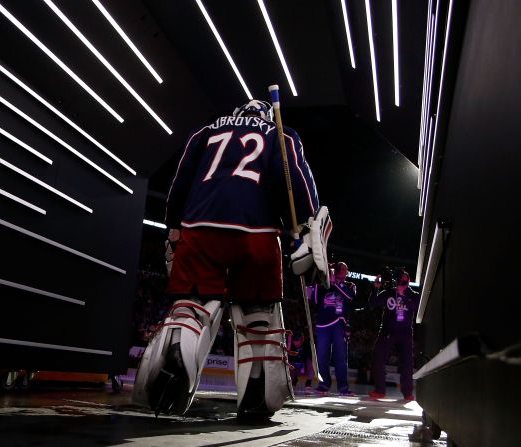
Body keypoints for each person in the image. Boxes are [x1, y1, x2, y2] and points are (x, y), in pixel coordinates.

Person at [132, 98, 331, 420]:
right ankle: (257, 394)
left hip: (200, 227)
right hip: (259, 231)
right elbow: (295, 179)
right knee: (258, 318)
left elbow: (180, 181)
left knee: (191, 304)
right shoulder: (281, 132)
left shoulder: (206, 131)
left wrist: (173, 226)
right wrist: (306, 225)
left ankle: (178, 345)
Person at [368, 269, 420, 400]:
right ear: (396, 281)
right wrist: (375, 289)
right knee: (378, 358)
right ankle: (380, 390)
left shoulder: (414, 295)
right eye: (401, 279)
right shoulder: (388, 293)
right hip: (388, 331)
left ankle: (407, 393)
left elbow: (417, 307)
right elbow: (373, 303)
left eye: (405, 279)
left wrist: (404, 295)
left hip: (406, 332)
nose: (403, 282)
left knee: (407, 363)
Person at [309, 261, 356, 396]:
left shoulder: (350, 285)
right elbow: (314, 298)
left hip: (339, 323)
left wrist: (337, 283)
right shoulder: (325, 284)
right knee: (322, 357)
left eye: (346, 270)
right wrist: (323, 277)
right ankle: (324, 384)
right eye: (343, 270)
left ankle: (343, 387)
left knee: (340, 357)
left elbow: (350, 297)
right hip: (323, 325)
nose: (345, 273)